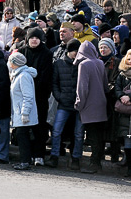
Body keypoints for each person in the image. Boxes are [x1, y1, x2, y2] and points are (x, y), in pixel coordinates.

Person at [18, 27, 53, 166]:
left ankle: (39, 155)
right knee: (25, 127)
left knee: (40, 126)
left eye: (37, 38)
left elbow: (46, 75)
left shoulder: (47, 53)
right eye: (32, 37)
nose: (34, 40)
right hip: (23, 96)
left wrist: (35, 89)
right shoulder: (22, 52)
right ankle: (27, 155)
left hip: (40, 95)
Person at [46, 39, 83, 170]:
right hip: (63, 103)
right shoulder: (59, 64)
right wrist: (59, 97)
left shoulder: (82, 64)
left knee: (78, 134)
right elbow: (54, 83)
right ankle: (54, 156)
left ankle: (76, 158)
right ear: (69, 51)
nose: (76, 54)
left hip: (79, 105)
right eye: (74, 51)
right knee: (56, 131)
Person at [75, 41, 109, 174]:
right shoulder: (100, 62)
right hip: (101, 103)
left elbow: (82, 88)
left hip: (88, 105)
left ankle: (94, 164)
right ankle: (97, 162)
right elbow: (105, 84)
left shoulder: (83, 64)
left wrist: (79, 104)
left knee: (92, 135)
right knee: (98, 135)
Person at [8, 52, 39, 171]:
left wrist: (25, 113)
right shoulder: (17, 74)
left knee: (23, 138)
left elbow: (28, 96)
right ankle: (25, 160)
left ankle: (25, 161)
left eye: (11, 61)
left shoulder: (23, 76)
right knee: (22, 137)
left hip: (23, 114)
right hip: (19, 112)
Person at [115, 49, 131, 177]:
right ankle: (130, 168)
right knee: (128, 143)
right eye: (128, 59)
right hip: (125, 114)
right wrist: (122, 97)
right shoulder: (122, 74)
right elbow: (117, 88)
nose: (130, 62)